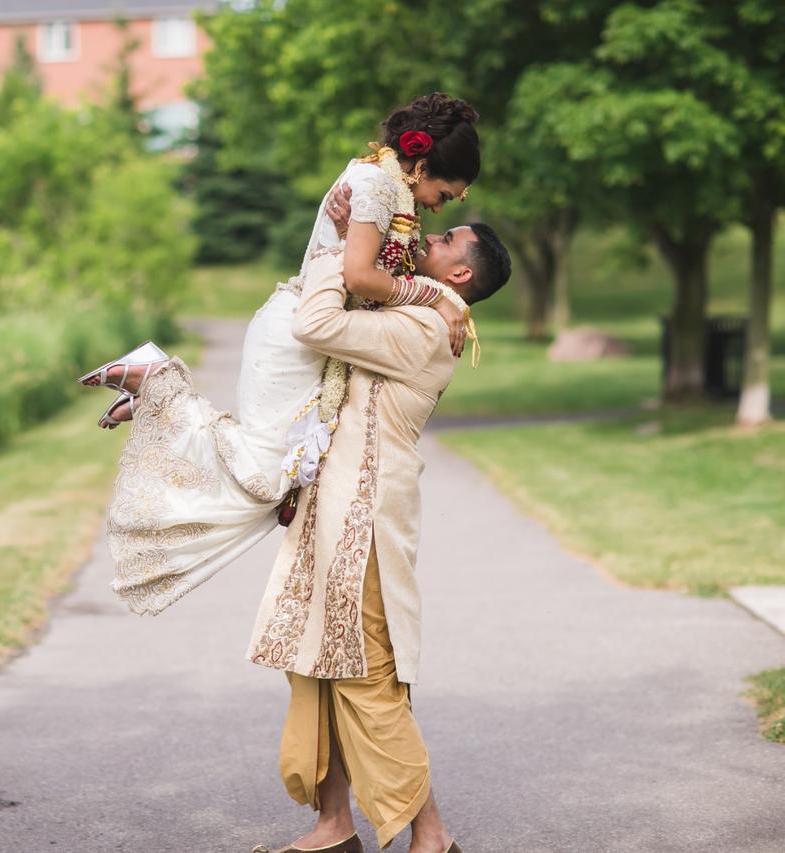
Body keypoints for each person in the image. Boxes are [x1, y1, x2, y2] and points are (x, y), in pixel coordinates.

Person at [80, 94, 484, 617]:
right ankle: (156, 383)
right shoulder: (377, 185)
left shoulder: (385, 186)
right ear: (423, 164)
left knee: (272, 478)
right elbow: (361, 278)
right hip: (297, 331)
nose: (439, 206)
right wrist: (435, 295)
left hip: (306, 337)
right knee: (264, 475)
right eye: (444, 193)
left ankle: (156, 397)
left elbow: (368, 278)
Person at [247, 205, 511, 853]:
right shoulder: (415, 306)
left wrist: (403, 282)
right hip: (329, 506)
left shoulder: (423, 328)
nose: (430, 234)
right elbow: (355, 287)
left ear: (458, 271)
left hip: (361, 517)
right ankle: (333, 826)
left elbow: (315, 321)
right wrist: (344, 232)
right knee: (317, 661)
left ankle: (433, 834)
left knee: (366, 669)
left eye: (446, 238)